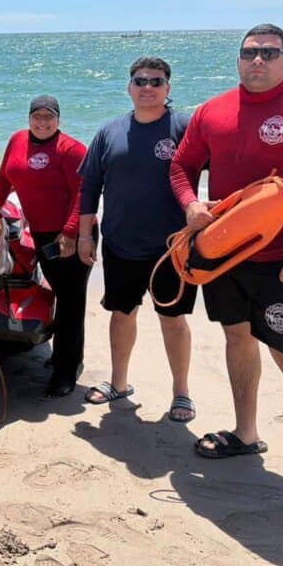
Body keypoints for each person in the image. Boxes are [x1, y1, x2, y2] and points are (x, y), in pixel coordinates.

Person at [170, 24, 283, 525]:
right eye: (249, 53)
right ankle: (246, 434)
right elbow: (182, 167)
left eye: (269, 53)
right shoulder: (212, 112)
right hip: (226, 258)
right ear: (238, 60)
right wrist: (192, 206)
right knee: (236, 338)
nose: (258, 61)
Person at [78, 58, 198, 421]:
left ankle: (181, 393)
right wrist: (85, 236)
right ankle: (119, 382)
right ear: (129, 87)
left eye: (156, 81)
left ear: (168, 88)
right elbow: (89, 188)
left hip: (172, 250)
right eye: (140, 81)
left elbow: (219, 171)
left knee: (172, 320)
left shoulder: (183, 127)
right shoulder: (109, 131)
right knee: (121, 313)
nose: (148, 87)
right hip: (120, 244)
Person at [0, 95, 89, 397]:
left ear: (58, 120)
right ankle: (61, 356)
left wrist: (71, 233)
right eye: (37, 116)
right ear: (29, 117)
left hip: (70, 235)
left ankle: (66, 372)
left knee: (71, 302)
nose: (42, 122)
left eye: (49, 117)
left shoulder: (72, 150)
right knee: (56, 292)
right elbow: (4, 176)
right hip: (43, 234)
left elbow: (83, 193)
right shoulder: (18, 140)